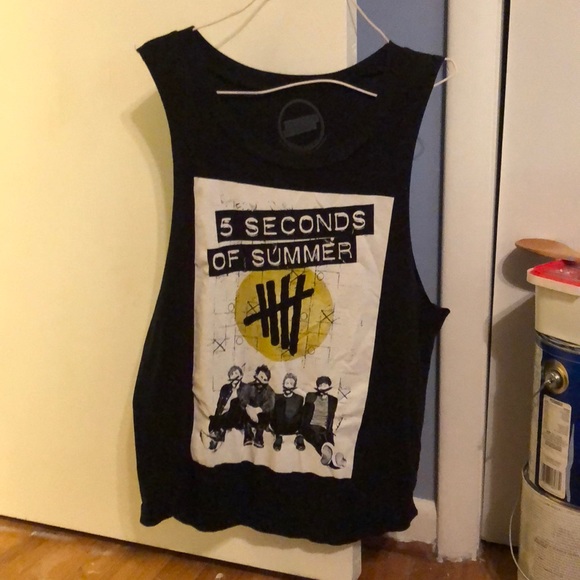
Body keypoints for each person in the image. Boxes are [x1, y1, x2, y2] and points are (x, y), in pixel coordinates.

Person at [302, 376, 341, 466]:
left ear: (329, 386)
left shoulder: (333, 400)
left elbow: (331, 418)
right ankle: (326, 454)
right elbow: (304, 413)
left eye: (325, 385)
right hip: (310, 426)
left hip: (324, 428)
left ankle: (334, 460)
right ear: (318, 387)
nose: (323, 387)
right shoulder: (311, 396)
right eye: (321, 385)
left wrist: (330, 432)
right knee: (317, 438)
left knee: (329, 440)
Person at [207, 365, 245, 451]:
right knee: (213, 419)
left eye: (236, 373)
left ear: (241, 376)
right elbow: (219, 405)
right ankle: (214, 438)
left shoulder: (245, 388)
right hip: (224, 415)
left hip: (237, 416)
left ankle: (219, 432)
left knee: (235, 402)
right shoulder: (225, 388)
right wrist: (216, 416)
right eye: (232, 374)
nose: (234, 376)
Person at [238, 364, 275, 448]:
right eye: (260, 377)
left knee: (266, 415)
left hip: (260, 416)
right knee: (240, 408)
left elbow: (270, 403)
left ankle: (259, 436)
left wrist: (258, 410)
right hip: (249, 413)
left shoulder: (269, 391)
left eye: (264, 379)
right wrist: (249, 409)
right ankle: (248, 434)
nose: (261, 381)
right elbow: (243, 398)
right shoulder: (249, 386)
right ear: (256, 375)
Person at [271, 372, 305, 452]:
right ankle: (278, 437)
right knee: (279, 404)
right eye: (287, 383)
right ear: (283, 384)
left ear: (294, 386)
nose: (289, 386)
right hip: (280, 427)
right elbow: (273, 415)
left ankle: (299, 438)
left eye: (291, 384)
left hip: (294, 428)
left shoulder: (299, 398)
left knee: (305, 409)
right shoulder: (277, 397)